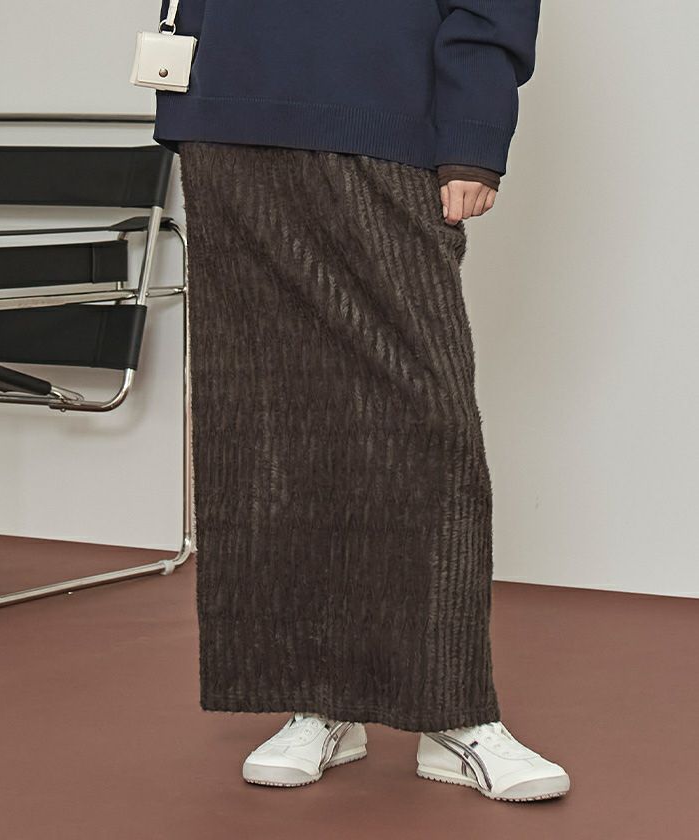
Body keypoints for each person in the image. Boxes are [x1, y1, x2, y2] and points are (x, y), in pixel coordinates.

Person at [153, 0, 571, 802]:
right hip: (229, 115)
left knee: (428, 419)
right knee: (273, 416)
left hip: (384, 111)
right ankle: (320, 697)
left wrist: (474, 133)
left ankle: (453, 711)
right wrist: (187, 96)